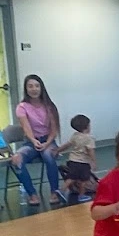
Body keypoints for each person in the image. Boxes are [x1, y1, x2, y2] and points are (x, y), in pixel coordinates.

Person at [10, 74, 66, 206]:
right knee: (16, 159)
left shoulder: (50, 106)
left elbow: (53, 129)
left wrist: (47, 143)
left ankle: (54, 192)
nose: (34, 89)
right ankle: (32, 194)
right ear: (26, 89)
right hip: (30, 142)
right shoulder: (22, 107)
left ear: (41, 88)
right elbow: (26, 127)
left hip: (48, 140)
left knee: (49, 156)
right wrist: (34, 141)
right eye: (30, 86)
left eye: (36, 86)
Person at [57, 114, 96, 201]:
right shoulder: (89, 138)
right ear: (87, 126)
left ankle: (61, 190)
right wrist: (93, 161)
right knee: (84, 180)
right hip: (83, 163)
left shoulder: (75, 135)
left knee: (71, 177)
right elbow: (91, 151)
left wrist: (58, 150)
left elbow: (67, 144)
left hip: (72, 161)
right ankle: (81, 195)